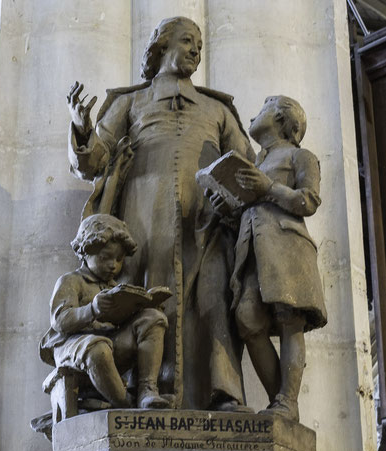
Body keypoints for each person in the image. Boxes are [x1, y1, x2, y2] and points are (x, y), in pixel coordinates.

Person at [66, 16, 255, 411]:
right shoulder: (130, 103)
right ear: (162, 46)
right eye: (187, 41)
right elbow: (94, 162)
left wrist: (233, 197)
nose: (195, 51)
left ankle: (224, 394)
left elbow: (247, 169)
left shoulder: (217, 109)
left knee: (213, 300)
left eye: (200, 46)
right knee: (143, 300)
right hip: (141, 220)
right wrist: (81, 130)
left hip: (206, 224)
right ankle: (140, 392)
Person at [228, 95, 327, 421]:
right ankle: (279, 403)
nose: (254, 114)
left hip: (287, 246)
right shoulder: (254, 162)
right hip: (253, 250)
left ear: (284, 120)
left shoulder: (300, 155)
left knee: (289, 319)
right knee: (247, 319)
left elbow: (308, 201)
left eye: (263, 108)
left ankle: (287, 403)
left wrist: (268, 187)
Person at [40, 214, 170, 409]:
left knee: (153, 319)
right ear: (85, 252)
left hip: (109, 342)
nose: (113, 265)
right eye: (106, 258)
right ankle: (125, 404)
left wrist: (143, 306)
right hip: (75, 347)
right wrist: (92, 309)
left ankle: (147, 389)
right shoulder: (72, 281)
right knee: (99, 348)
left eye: (119, 259)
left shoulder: (114, 287)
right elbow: (60, 320)